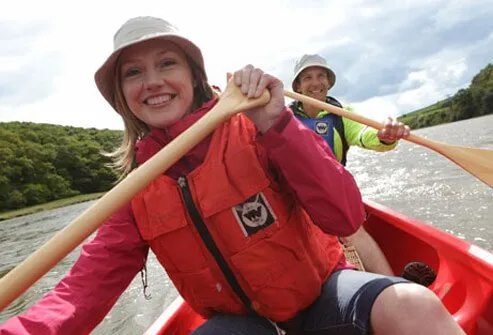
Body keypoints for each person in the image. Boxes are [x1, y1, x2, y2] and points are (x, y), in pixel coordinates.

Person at [0, 16, 464, 335]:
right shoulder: (135, 188)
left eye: (167, 63)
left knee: (415, 305)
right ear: (123, 96)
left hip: (322, 295)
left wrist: (278, 126)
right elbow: (81, 290)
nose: (152, 81)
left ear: (195, 76)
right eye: (134, 73)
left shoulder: (258, 128)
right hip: (243, 324)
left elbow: (344, 216)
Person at [289, 54, 411, 276]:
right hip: (294, 199)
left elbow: (365, 134)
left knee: (353, 230)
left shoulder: (341, 115)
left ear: (329, 82)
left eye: (321, 76)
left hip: (330, 194)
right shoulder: (284, 118)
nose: (316, 83)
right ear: (297, 86)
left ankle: (395, 287)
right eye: (307, 78)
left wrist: (385, 136)